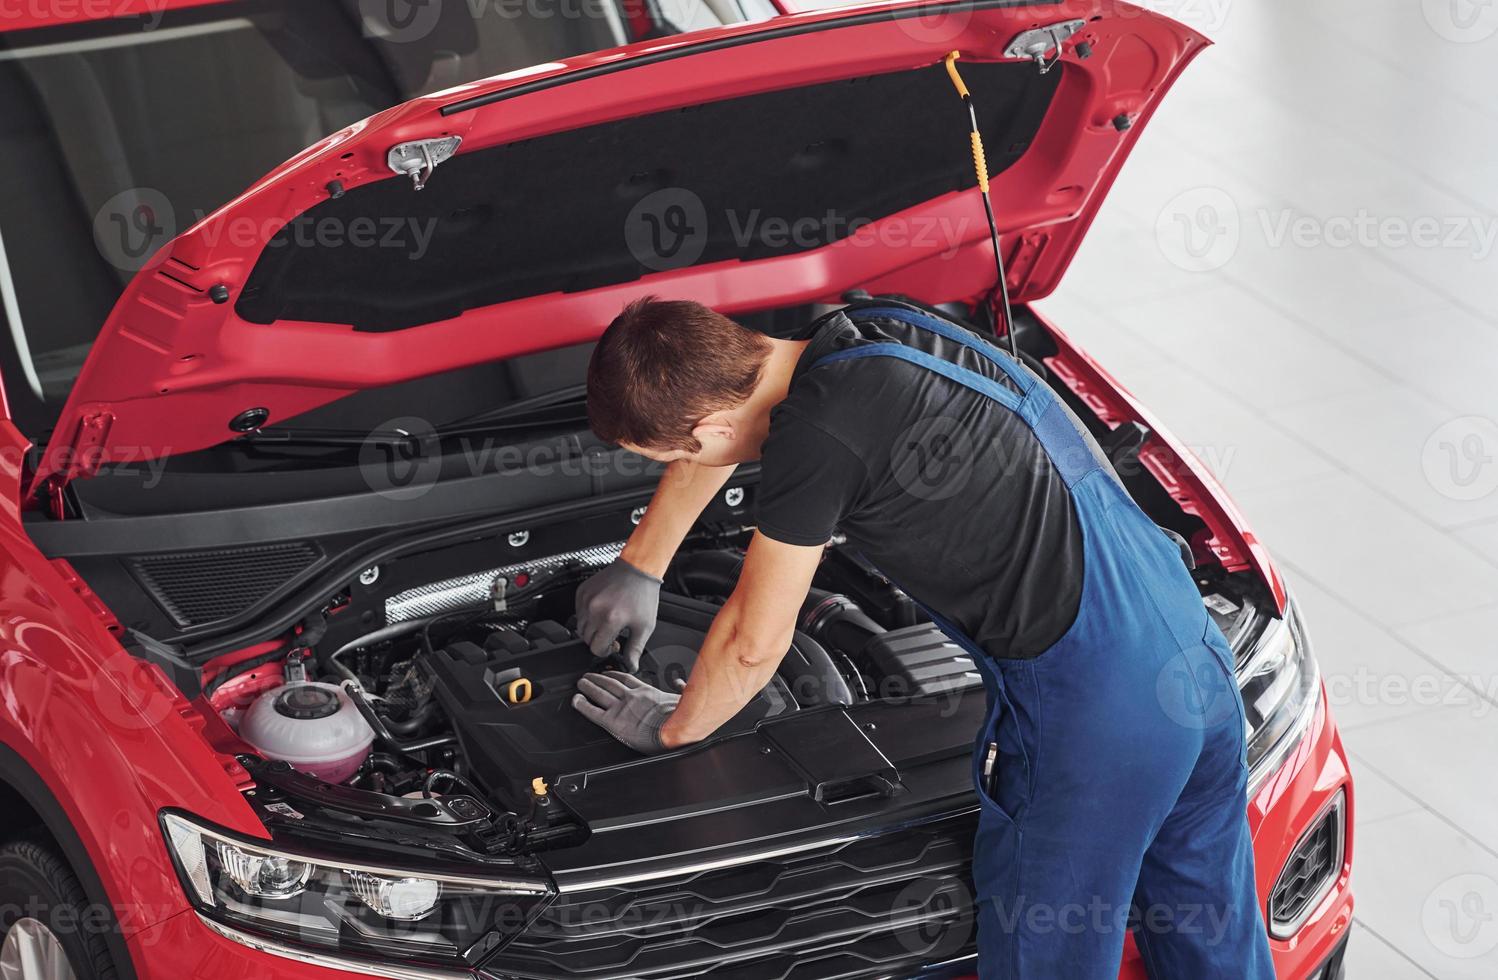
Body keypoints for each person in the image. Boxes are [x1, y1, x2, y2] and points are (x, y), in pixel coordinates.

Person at [570, 296, 1275, 979]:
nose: (677, 467)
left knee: (1047, 951)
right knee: (1210, 929)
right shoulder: (881, 324)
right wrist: (642, 564)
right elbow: (714, 443)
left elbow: (754, 644)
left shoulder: (814, 436)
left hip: (1099, 711)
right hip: (1190, 646)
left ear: (713, 429)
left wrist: (671, 727)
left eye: (665, 457)